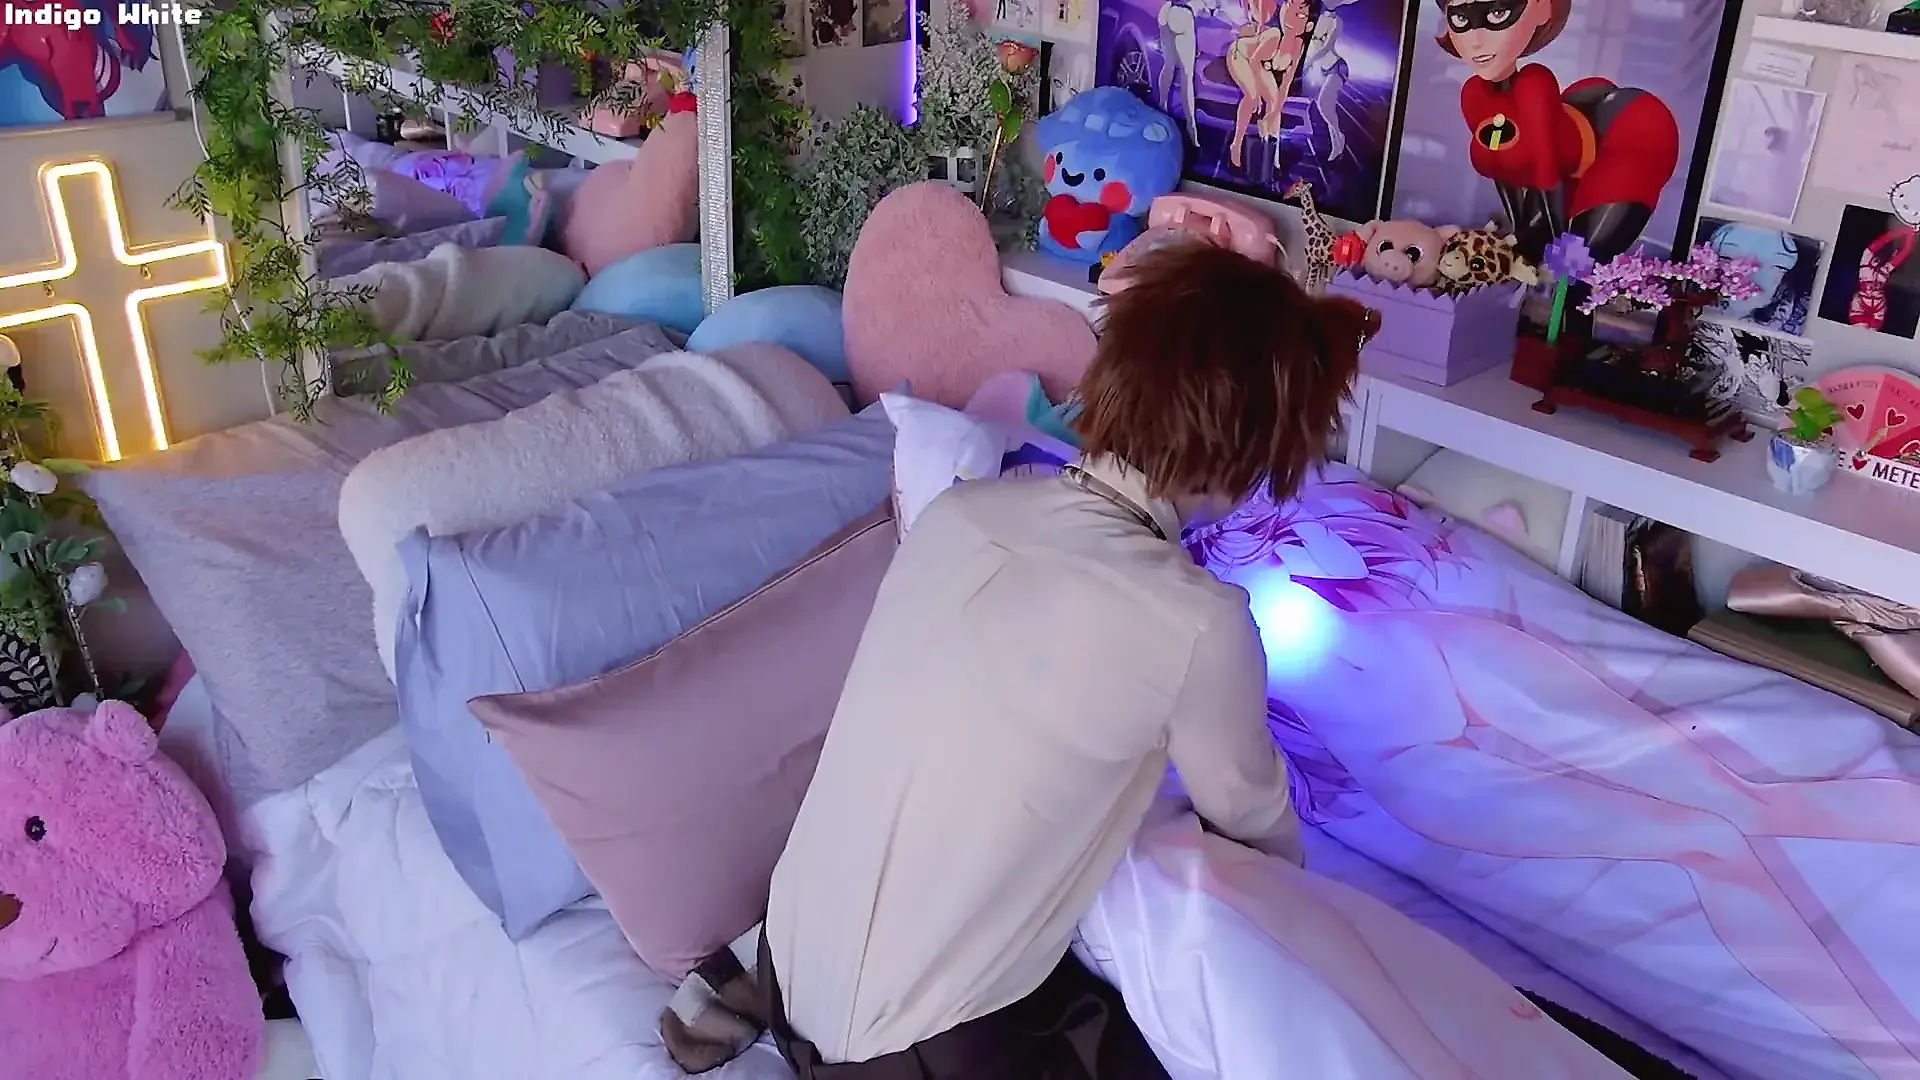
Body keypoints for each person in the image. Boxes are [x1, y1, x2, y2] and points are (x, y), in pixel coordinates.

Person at [760, 242, 1378, 1080]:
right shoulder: (1198, 621)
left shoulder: (960, 516)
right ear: (1250, 452)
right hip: (906, 1058)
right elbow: (1260, 840)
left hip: (783, 966)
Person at [1437, 0, 1679, 261]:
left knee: (1583, 254)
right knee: (1538, 244)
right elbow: (1505, 169)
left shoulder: (1534, 84)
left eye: (1497, 13)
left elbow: (1546, 169)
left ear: (1543, 8)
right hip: (1566, 165)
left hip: (1630, 131)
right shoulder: (1474, 93)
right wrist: (1521, 234)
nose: (1476, 41)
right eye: (1460, 19)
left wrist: (1553, 244)